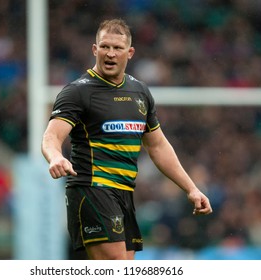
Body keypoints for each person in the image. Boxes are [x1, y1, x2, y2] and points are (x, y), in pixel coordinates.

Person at [41, 18, 212, 260]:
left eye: (117, 48)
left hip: (124, 194)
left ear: (129, 52)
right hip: (92, 189)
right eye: (105, 47)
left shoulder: (140, 92)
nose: (110, 54)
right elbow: (51, 135)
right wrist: (55, 156)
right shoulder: (78, 91)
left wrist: (191, 188)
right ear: (94, 49)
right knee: (117, 267)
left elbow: (158, 145)